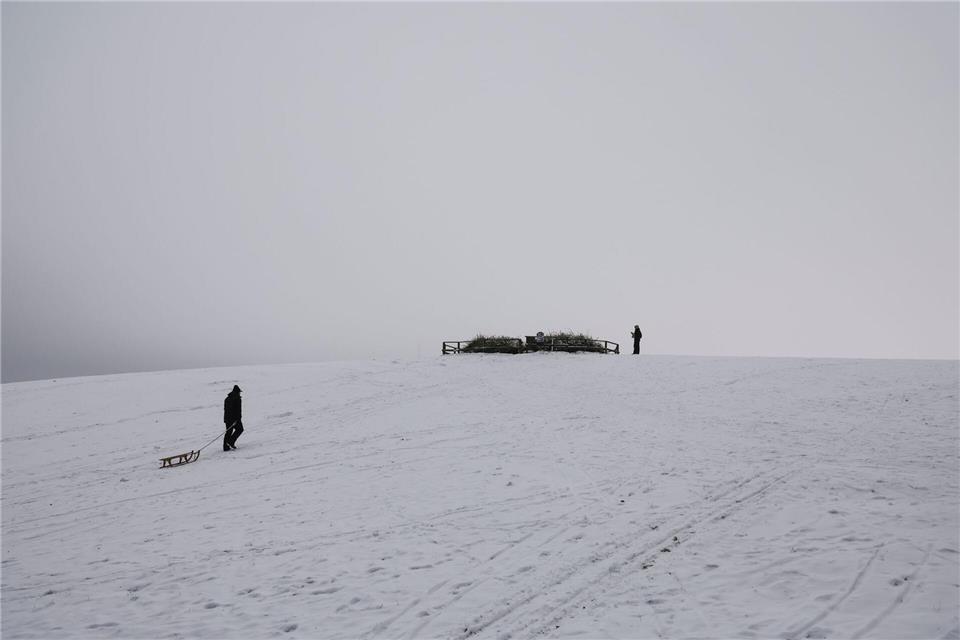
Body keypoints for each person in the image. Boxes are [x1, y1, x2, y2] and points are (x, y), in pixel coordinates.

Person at [223, 385, 243, 451]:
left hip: (227, 418)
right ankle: (231, 442)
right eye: (239, 392)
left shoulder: (227, 398)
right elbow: (237, 410)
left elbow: (226, 409)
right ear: (237, 392)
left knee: (228, 432)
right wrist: (238, 419)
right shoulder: (237, 398)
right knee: (240, 429)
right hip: (234, 418)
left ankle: (225, 447)